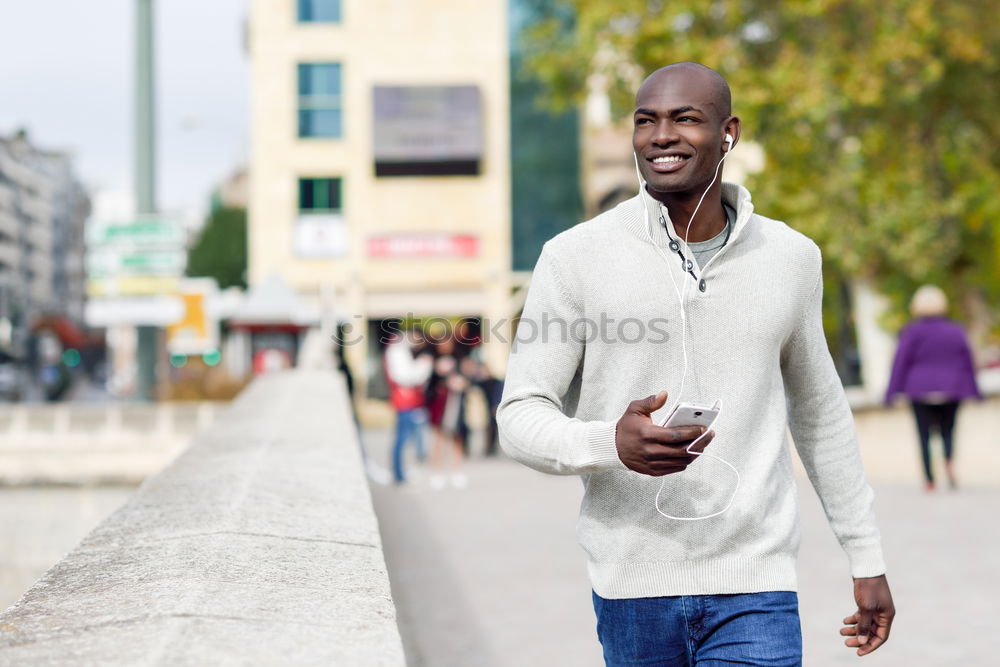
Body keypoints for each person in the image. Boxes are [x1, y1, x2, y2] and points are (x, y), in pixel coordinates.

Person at [498, 62, 894, 665]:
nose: (661, 136)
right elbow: (520, 413)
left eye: (686, 119)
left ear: (728, 133)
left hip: (756, 583)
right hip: (632, 586)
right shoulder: (573, 258)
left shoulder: (790, 257)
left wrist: (865, 557)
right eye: (645, 121)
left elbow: (819, 413)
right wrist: (611, 441)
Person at [885, 285, 981, 491]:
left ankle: (929, 479)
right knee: (948, 430)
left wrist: (890, 393)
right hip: (951, 388)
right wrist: (975, 391)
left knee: (924, 435)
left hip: (919, 389)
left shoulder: (911, 331)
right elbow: (967, 362)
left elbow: (900, 363)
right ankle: (948, 460)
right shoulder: (956, 330)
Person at [384, 328, 432, 484]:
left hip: (409, 400)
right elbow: (405, 377)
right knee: (403, 438)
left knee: (407, 438)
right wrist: (423, 366)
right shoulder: (397, 350)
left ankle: (400, 473)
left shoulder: (399, 349)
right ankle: (398, 474)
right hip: (405, 401)